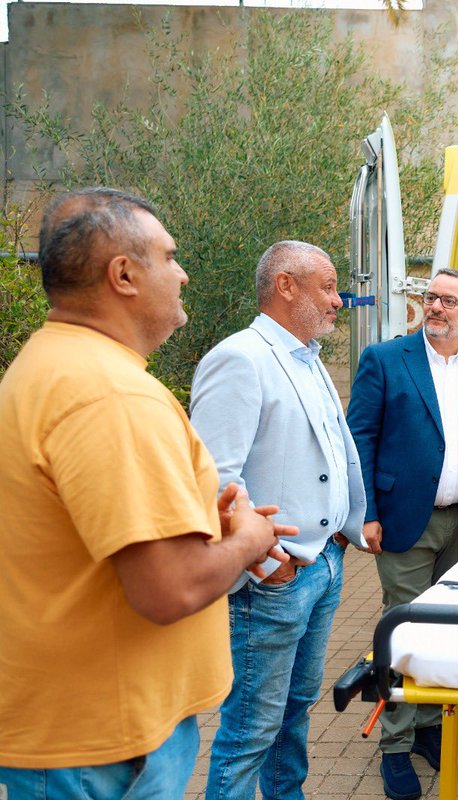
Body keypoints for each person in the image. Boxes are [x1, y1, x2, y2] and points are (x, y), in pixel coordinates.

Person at [0, 187, 289, 799]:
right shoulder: (110, 395)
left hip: (82, 730)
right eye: (170, 256)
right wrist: (249, 540)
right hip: (103, 744)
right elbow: (168, 588)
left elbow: (79, 530)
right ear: (124, 275)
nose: (182, 274)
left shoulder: (55, 365)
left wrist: (196, 522)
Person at [190, 241, 373, 799]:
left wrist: (343, 532)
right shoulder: (240, 358)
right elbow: (214, 477)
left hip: (323, 565)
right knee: (251, 731)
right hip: (275, 581)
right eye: (328, 287)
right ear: (285, 285)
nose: (338, 300)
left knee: (293, 714)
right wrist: (270, 566)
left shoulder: (306, 357)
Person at [347, 267, 458, 800]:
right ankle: (395, 748)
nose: (436, 307)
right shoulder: (384, 359)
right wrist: (364, 513)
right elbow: (360, 438)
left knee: (446, 628)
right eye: (431, 297)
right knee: (404, 628)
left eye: (448, 300)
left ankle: (427, 727)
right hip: (404, 518)